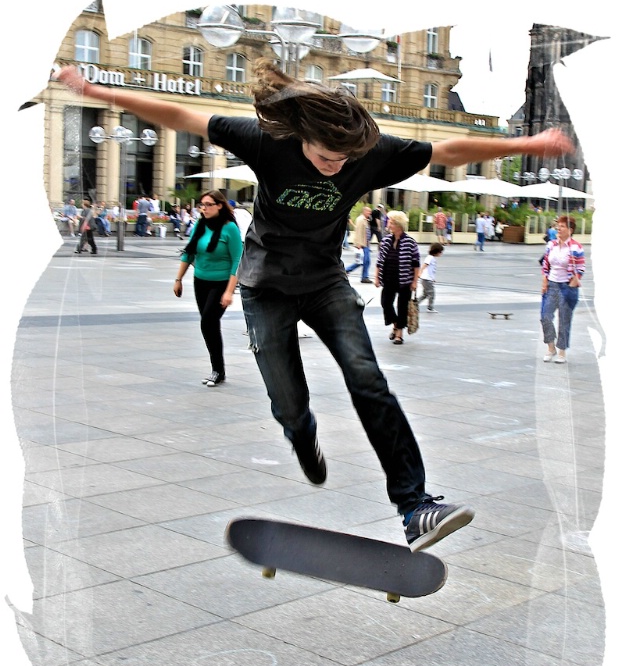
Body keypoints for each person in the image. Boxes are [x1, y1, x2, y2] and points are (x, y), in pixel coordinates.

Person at [56, 59, 574, 553]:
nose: (335, 168)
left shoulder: (368, 150)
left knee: (368, 379)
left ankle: (414, 507)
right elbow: (177, 114)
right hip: (265, 286)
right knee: (289, 401)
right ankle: (301, 434)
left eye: (343, 161)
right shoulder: (265, 139)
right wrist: (95, 91)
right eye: (326, 157)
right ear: (301, 136)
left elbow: (450, 151)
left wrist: (527, 142)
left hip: (326, 282)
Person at [173, 190, 242, 386]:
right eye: (202, 204)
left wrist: (229, 291)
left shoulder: (230, 229)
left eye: (208, 204)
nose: (204, 208)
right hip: (200, 281)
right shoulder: (199, 226)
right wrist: (178, 279)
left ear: (219, 205)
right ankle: (218, 370)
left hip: (221, 283)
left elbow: (238, 260)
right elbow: (189, 253)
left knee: (208, 322)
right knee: (209, 325)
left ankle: (217, 371)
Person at [540, 215, 585, 364]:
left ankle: (562, 352)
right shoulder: (551, 245)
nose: (558, 228)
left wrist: (573, 282)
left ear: (570, 230)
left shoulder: (576, 247)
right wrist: (544, 281)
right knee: (545, 316)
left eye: (562, 226)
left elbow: (580, 268)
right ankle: (550, 347)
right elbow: (545, 264)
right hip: (552, 284)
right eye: (558, 226)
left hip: (567, 286)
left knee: (564, 320)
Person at [374, 210, 420, 344]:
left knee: (402, 306)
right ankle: (395, 323)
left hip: (405, 280)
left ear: (399, 225)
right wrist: (376, 277)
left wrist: (415, 281)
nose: (389, 224)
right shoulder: (386, 241)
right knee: (386, 303)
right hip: (388, 279)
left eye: (391, 222)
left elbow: (415, 263)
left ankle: (399, 334)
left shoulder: (410, 242)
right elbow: (379, 261)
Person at [346, 205, 372, 282]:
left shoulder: (365, 220)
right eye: (368, 211)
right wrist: (358, 244)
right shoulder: (361, 220)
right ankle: (364, 276)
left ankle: (364, 276)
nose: (369, 213)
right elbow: (359, 232)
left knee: (364, 261)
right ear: (364, 211)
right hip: (362, 244)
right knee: (363, 261)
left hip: (365, 244)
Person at [418, 242, 443, 312]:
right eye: (440, 252)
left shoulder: (432, 258)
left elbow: (431, 271)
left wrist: (432, 279)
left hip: (427, 279)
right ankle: (430, 308)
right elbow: (424, 265)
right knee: (432, 294)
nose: (441, 254)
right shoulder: (430, 258)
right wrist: (420, 272)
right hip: (426, 279)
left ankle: (415, 303)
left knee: (425, 294)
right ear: (436, 252)